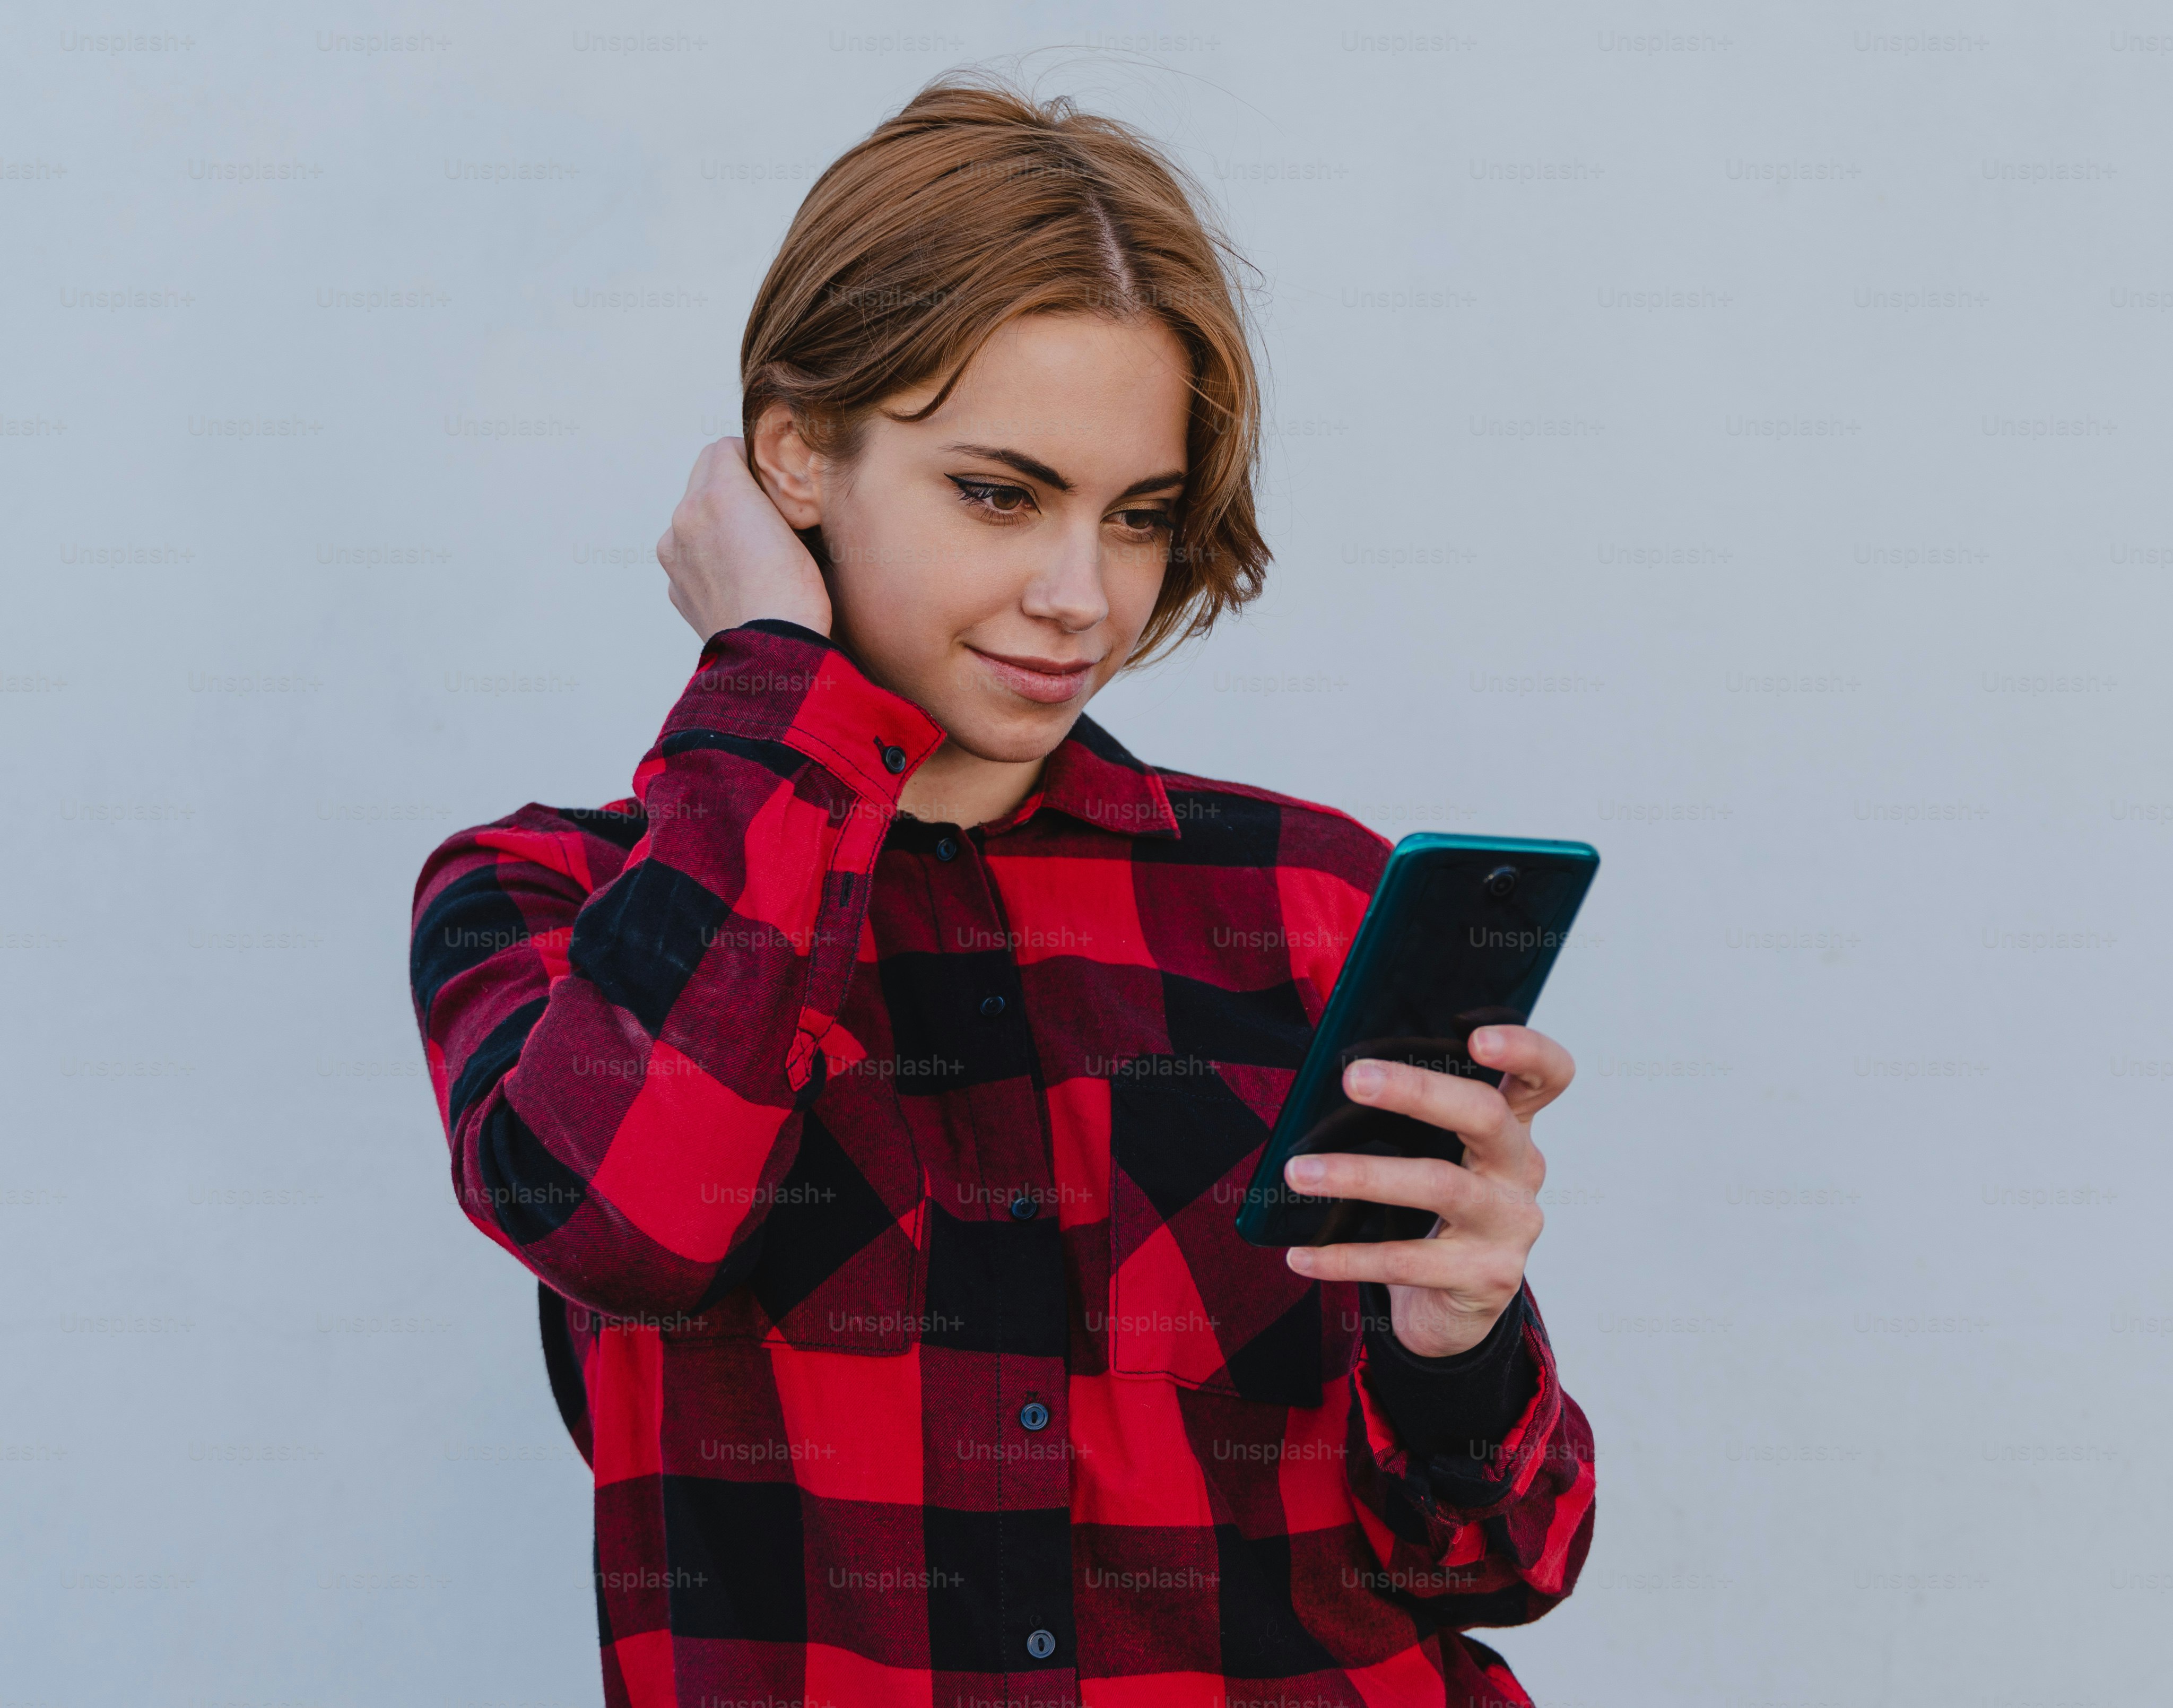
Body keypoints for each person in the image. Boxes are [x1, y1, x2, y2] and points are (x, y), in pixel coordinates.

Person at [408, 73, 1596, 1708]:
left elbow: (1500, 1564)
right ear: (795, 456)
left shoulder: (1311, 900)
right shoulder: (545, 901)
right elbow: (624, 1221)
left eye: (1140, 518)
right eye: (998, 491)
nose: (1079, 596)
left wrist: (1458, 1334)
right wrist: (769, 671)